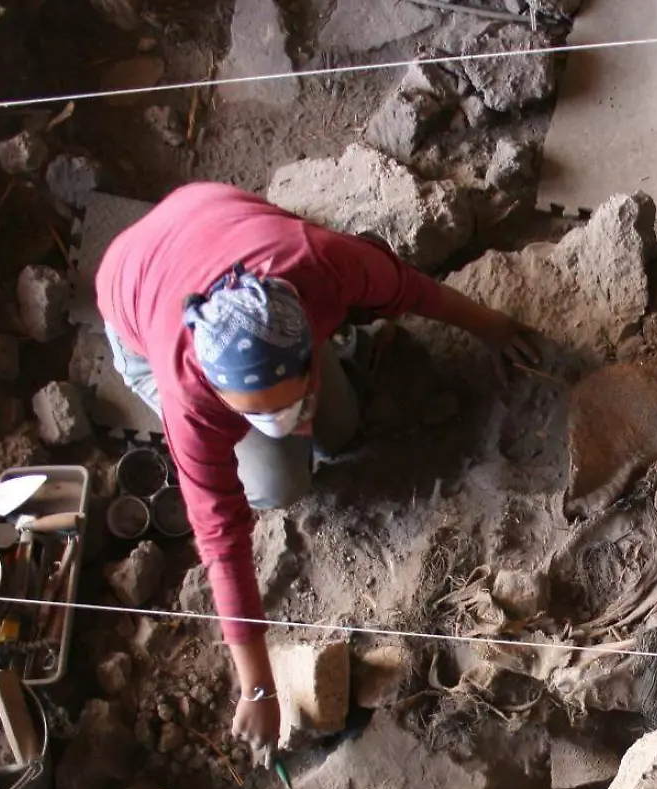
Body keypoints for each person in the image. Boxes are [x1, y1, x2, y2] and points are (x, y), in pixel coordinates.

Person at [97, 183, 544, 755]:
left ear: (309, 337)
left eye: (294, 394)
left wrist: (492, 326)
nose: (286, 418)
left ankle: (309, 394)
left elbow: (408, 289)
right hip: (135, 296)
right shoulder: (192, 397)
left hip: (212, 214)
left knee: (338, 429)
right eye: (260, 410)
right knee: (276, 481)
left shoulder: (324, 265)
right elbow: (220, 539)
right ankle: (275, 423)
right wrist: (257, 685)